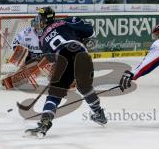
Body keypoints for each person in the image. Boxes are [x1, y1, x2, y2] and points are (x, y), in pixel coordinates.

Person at [25, 7, 107, 138]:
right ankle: (99, 114)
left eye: (40, 19)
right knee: (85, 88)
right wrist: (83, 39)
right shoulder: (65, 22)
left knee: (55, 94)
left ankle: (45, 122)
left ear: (43, 20)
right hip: (82, 54)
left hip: (63, 57)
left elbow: (52, 58)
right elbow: (89, 30)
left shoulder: (42, 41)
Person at [1, 16, 53, 90]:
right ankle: (16, 77)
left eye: (42, 26)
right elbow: (15, 45)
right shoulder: (26, 32)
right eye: (37, 26)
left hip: (46, 59)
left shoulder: (51, 33)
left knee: (56, 75)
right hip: (31, 60)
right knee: (13, 82)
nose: (39, 28)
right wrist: (20, 56)